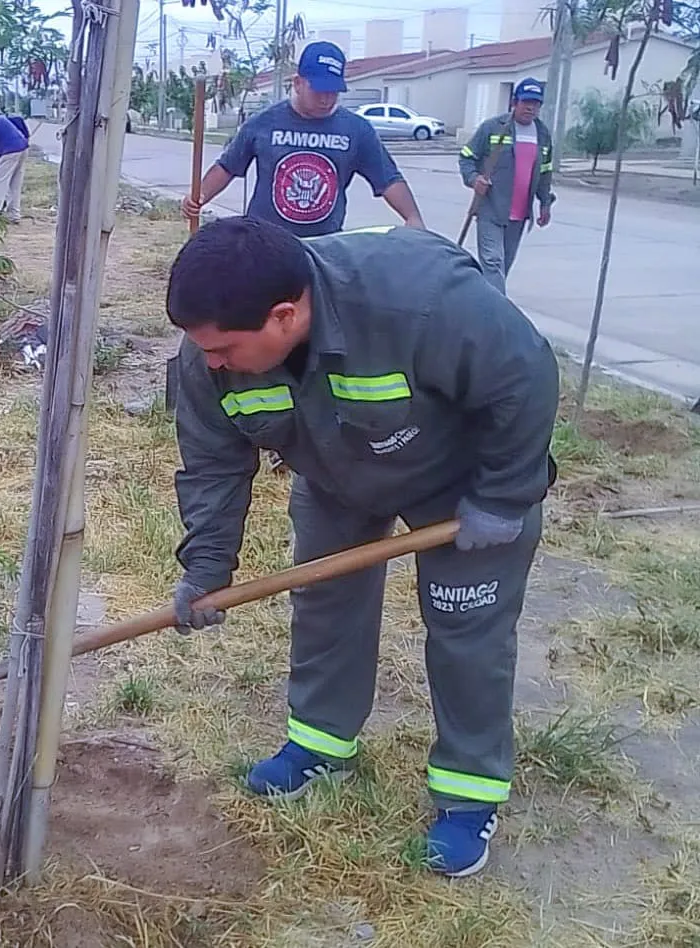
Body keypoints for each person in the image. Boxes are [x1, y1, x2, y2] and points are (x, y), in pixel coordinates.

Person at [167, 216, 559, 878]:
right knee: (326, 603)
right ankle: (320, 745)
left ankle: (469, 795)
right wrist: (205, 568)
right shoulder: (207, 360)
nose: (210, 363)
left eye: (224, 349)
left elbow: (523, 376)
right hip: (334, 474)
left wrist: (503, 495)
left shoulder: (417, 301)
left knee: (467, 630)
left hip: (463, 480)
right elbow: (212, 466)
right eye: (201, 348)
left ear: (285, 316)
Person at [182, 41, 424, 235]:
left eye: (333, 92)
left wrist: (413, 218)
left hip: (323, 246)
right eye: (318, 90)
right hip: (265, 242)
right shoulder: (263, 122)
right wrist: (199, 197)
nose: (326, 99)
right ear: (297, 83)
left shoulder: (357, 130)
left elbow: (389, 179)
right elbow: (228, 167)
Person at [459, 77, 556, 295]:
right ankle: (498, 315)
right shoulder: (493, 128)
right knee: (493, 263)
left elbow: (545, 171)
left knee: (503, 268)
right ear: (514, 102)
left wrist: (545, 203)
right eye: (526, 102)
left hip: (519, 216)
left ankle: (481, 305)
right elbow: (466, 157)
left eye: (536, 104)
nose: (530, 108)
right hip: (491, 209)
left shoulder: (542, 134)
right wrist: (474, 179)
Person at [0, 112, 29, 224]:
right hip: (23, 147)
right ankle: (14, 214)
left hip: (10, 150)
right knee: (15, 184)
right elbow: (22, 127)